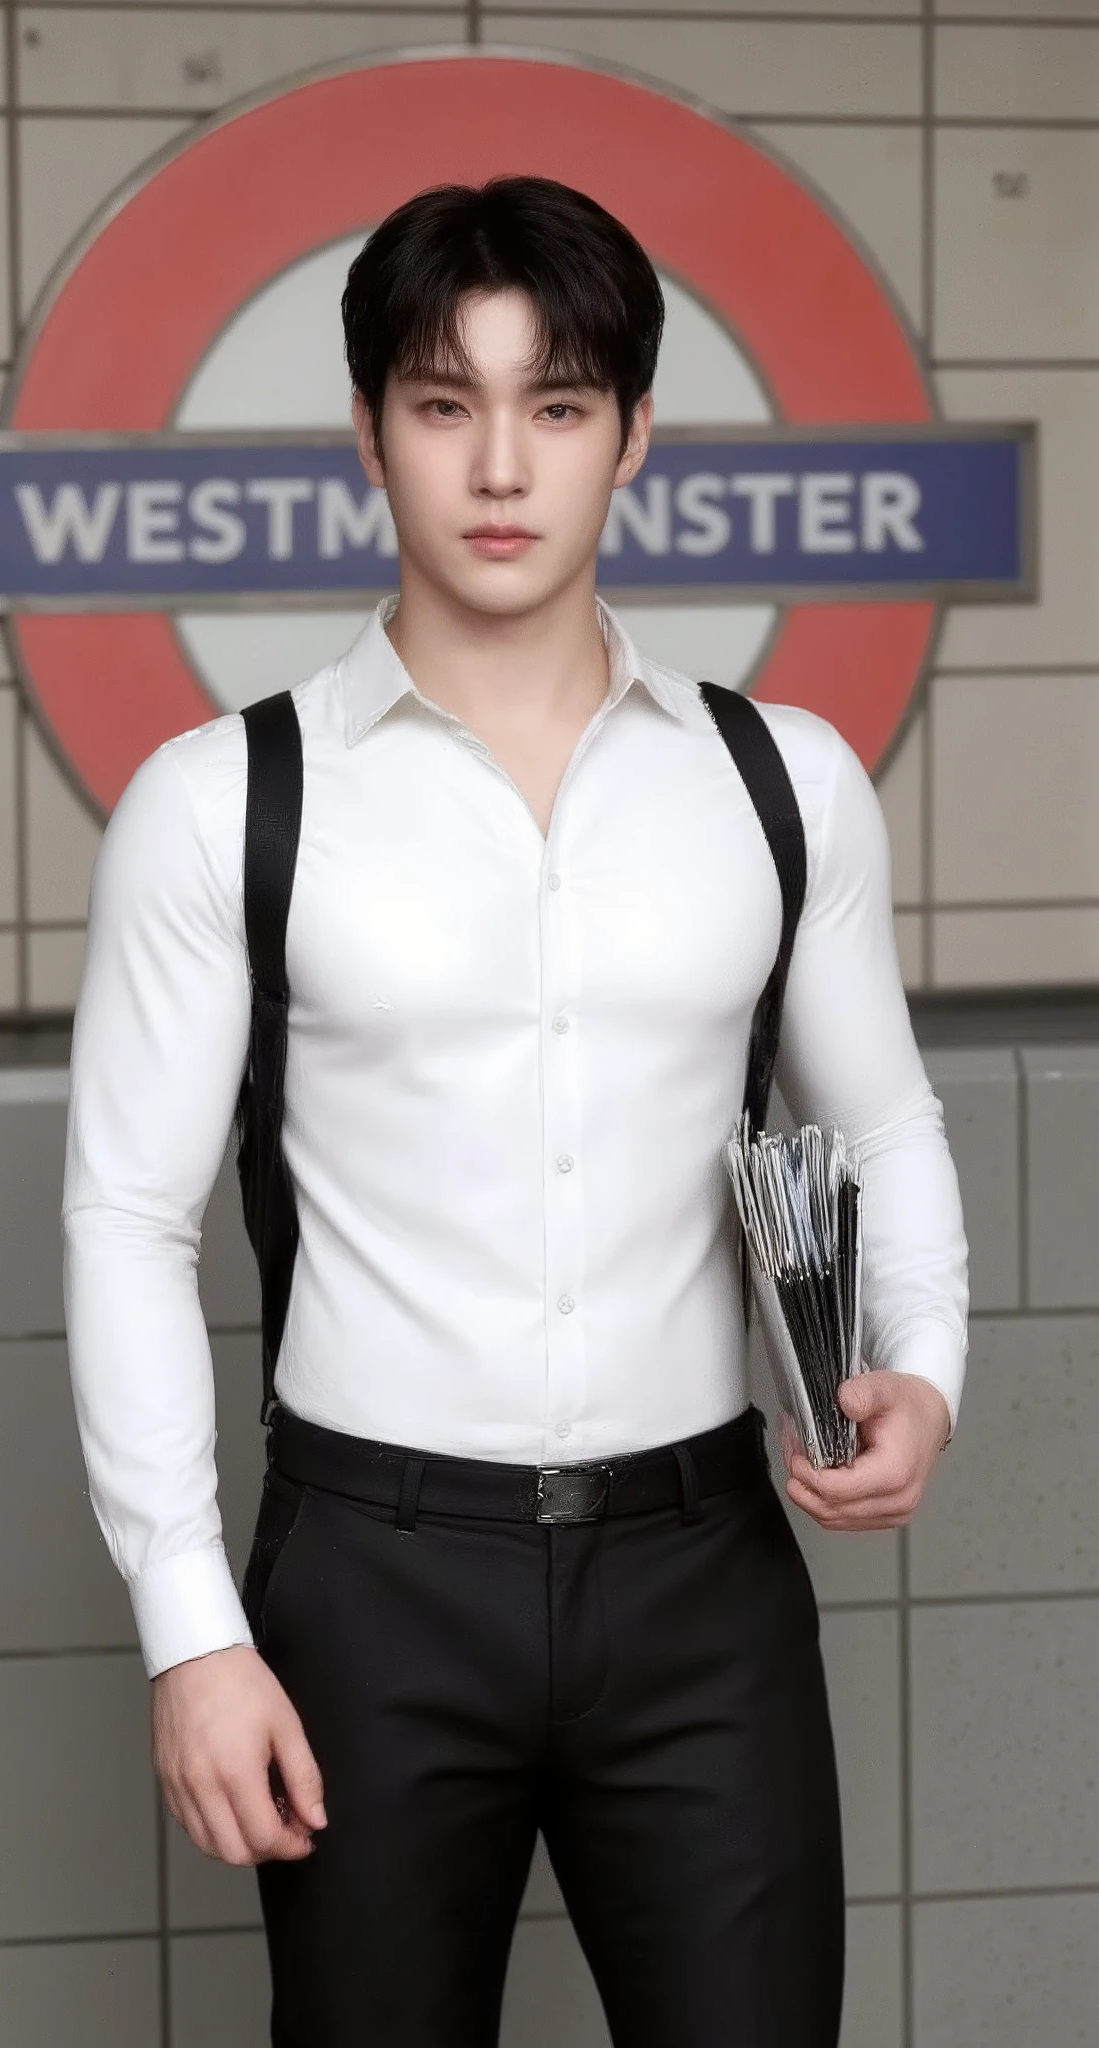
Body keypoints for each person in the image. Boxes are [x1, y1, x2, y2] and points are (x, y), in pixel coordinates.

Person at [61, 174, 968, 2047]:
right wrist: (189, 1627)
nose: (498, 465)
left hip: (705, 1574)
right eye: (442, 402)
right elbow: (128, 1223)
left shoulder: (782, 782)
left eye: (556, 405)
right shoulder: (225, 800)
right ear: (371, 435)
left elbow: (881, 1122)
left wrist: (927, 1362)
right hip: (370, 1590)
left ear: (633, 435)